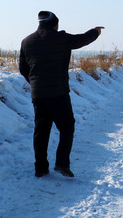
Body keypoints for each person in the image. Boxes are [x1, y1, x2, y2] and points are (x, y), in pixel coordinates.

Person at [19, 11, 104, 178]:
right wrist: (95, 31)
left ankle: (41, 168)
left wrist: (35, 82)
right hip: (58, 92)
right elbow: (81, 40)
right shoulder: (61, 38)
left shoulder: (26, 41)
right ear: (55, 25)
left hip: (38, 94)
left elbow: (23, 69)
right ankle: (62, 163)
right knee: (67, 126)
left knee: (41, 130)